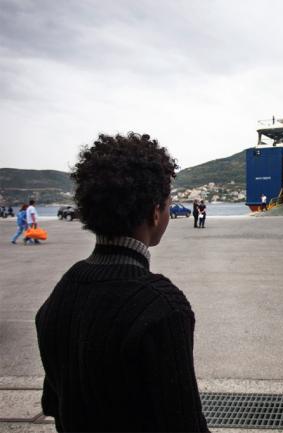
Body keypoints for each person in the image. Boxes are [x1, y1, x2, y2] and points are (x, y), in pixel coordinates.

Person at [35, 133, 208, 432]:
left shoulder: (60, 293)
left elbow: (53, 403)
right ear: (155, 213)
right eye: (168, 204)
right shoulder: (162, 307)